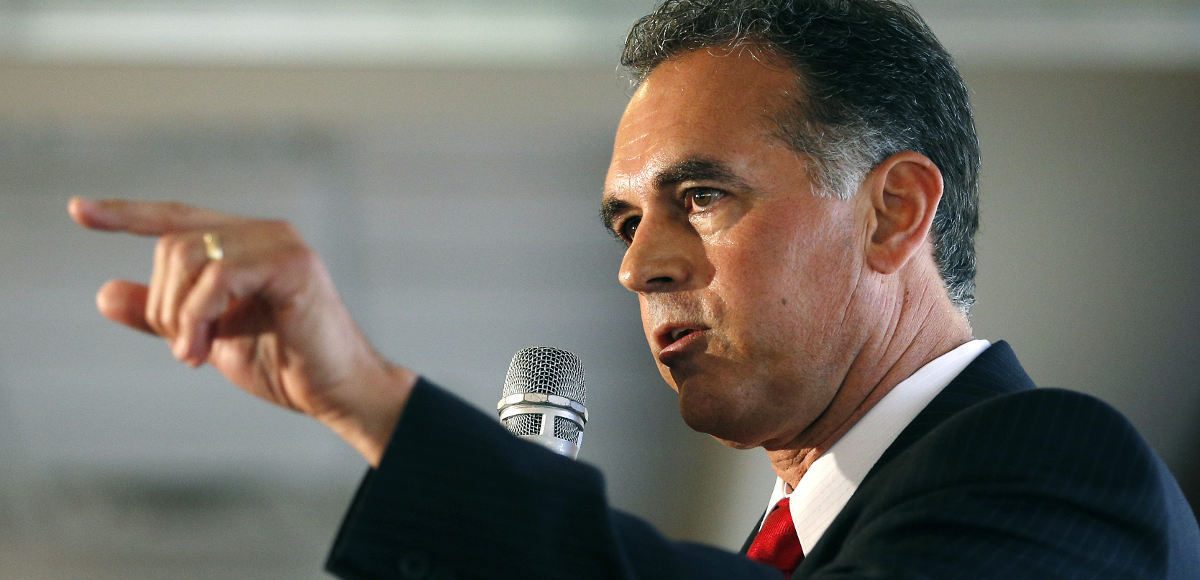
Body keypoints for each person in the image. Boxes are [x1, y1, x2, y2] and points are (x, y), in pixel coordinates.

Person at [69, 0, 1199, 578]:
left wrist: (376, 404)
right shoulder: (794, 538)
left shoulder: (1059, 468)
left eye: (700, 196)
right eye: (625, 218)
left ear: (893, 210)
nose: (636, 263)